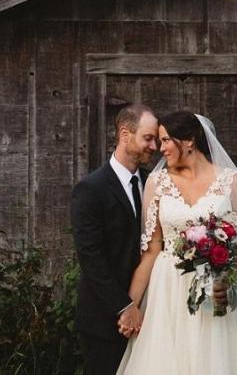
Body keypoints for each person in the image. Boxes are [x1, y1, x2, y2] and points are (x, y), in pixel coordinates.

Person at [114, 111, 237, 375]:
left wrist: (225, 280)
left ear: (188, 141)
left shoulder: (231, 182)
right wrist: (130, 306)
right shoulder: (157, 183)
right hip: (169, 296)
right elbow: (151, 252)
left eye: (165, 141)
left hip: (219, 291)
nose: (160, 149)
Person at [70, 104, 159, 375]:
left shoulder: (153, 184)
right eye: (148, 138)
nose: (154, 146)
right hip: (104, 317)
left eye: (156, 139)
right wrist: (124, 307)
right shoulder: (91, 188)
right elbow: (90, 257)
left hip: (150, 314)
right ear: (124, 134)